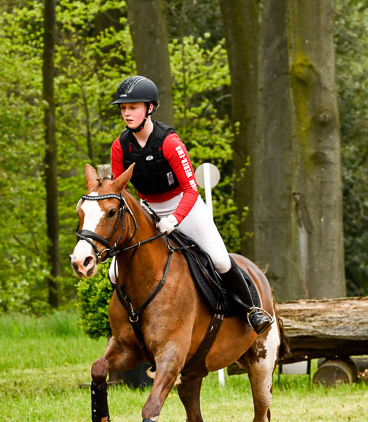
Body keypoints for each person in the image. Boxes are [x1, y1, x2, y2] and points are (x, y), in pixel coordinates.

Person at [109, 75, 273, 334]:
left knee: (219, 259)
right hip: (148, 209)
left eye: (133, 107)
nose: (126, 114)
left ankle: (253, 310)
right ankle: (130, 323)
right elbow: (119, 190)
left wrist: (174, 219)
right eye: (123, 109)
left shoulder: (170, 142)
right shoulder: (120, 146)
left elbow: (190, 189)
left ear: (149, 108)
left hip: (185, 206)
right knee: (114, 274)